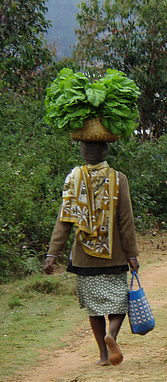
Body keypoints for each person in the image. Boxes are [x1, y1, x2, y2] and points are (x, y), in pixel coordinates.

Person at [43, 141, 140, 366]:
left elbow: (64, 220)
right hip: (114, 254)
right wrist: (131, 254)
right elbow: (126, 220)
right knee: (119, 302)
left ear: (82, 153)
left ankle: (103, 356)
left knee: (93, 307)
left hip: (84, 256)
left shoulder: (73, 179)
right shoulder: (119, 179)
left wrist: (52, 253)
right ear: (105, 151)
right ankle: (112, 335)